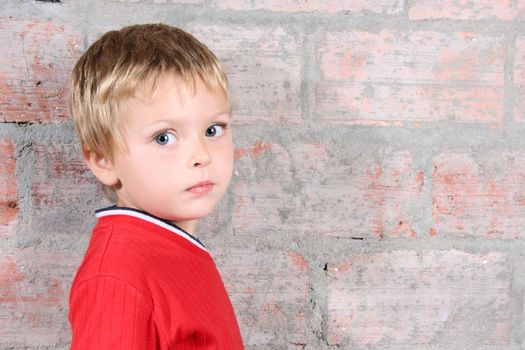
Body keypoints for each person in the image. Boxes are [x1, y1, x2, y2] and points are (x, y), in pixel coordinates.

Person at [68, 23, 244, 349]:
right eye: (164, 137)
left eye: (213, 129)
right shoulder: (116, 279)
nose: (201, 156)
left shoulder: (171, 247)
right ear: (104, 160)